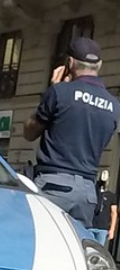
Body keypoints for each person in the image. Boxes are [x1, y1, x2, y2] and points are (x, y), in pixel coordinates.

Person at [23, 37, 119, 228]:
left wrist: (53, 88)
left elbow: (29, 132)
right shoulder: (114, 105)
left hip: (54, 184)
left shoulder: (60, 92)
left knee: (40, 240)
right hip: (88, 193)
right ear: (98, 65)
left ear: (69, 63)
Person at [90, 170, 119, 246]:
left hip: (102, 228)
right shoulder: (93, 192)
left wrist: (112, 230)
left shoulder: (111, 196)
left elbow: (114, 213)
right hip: (90, 225)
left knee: (99, 249)